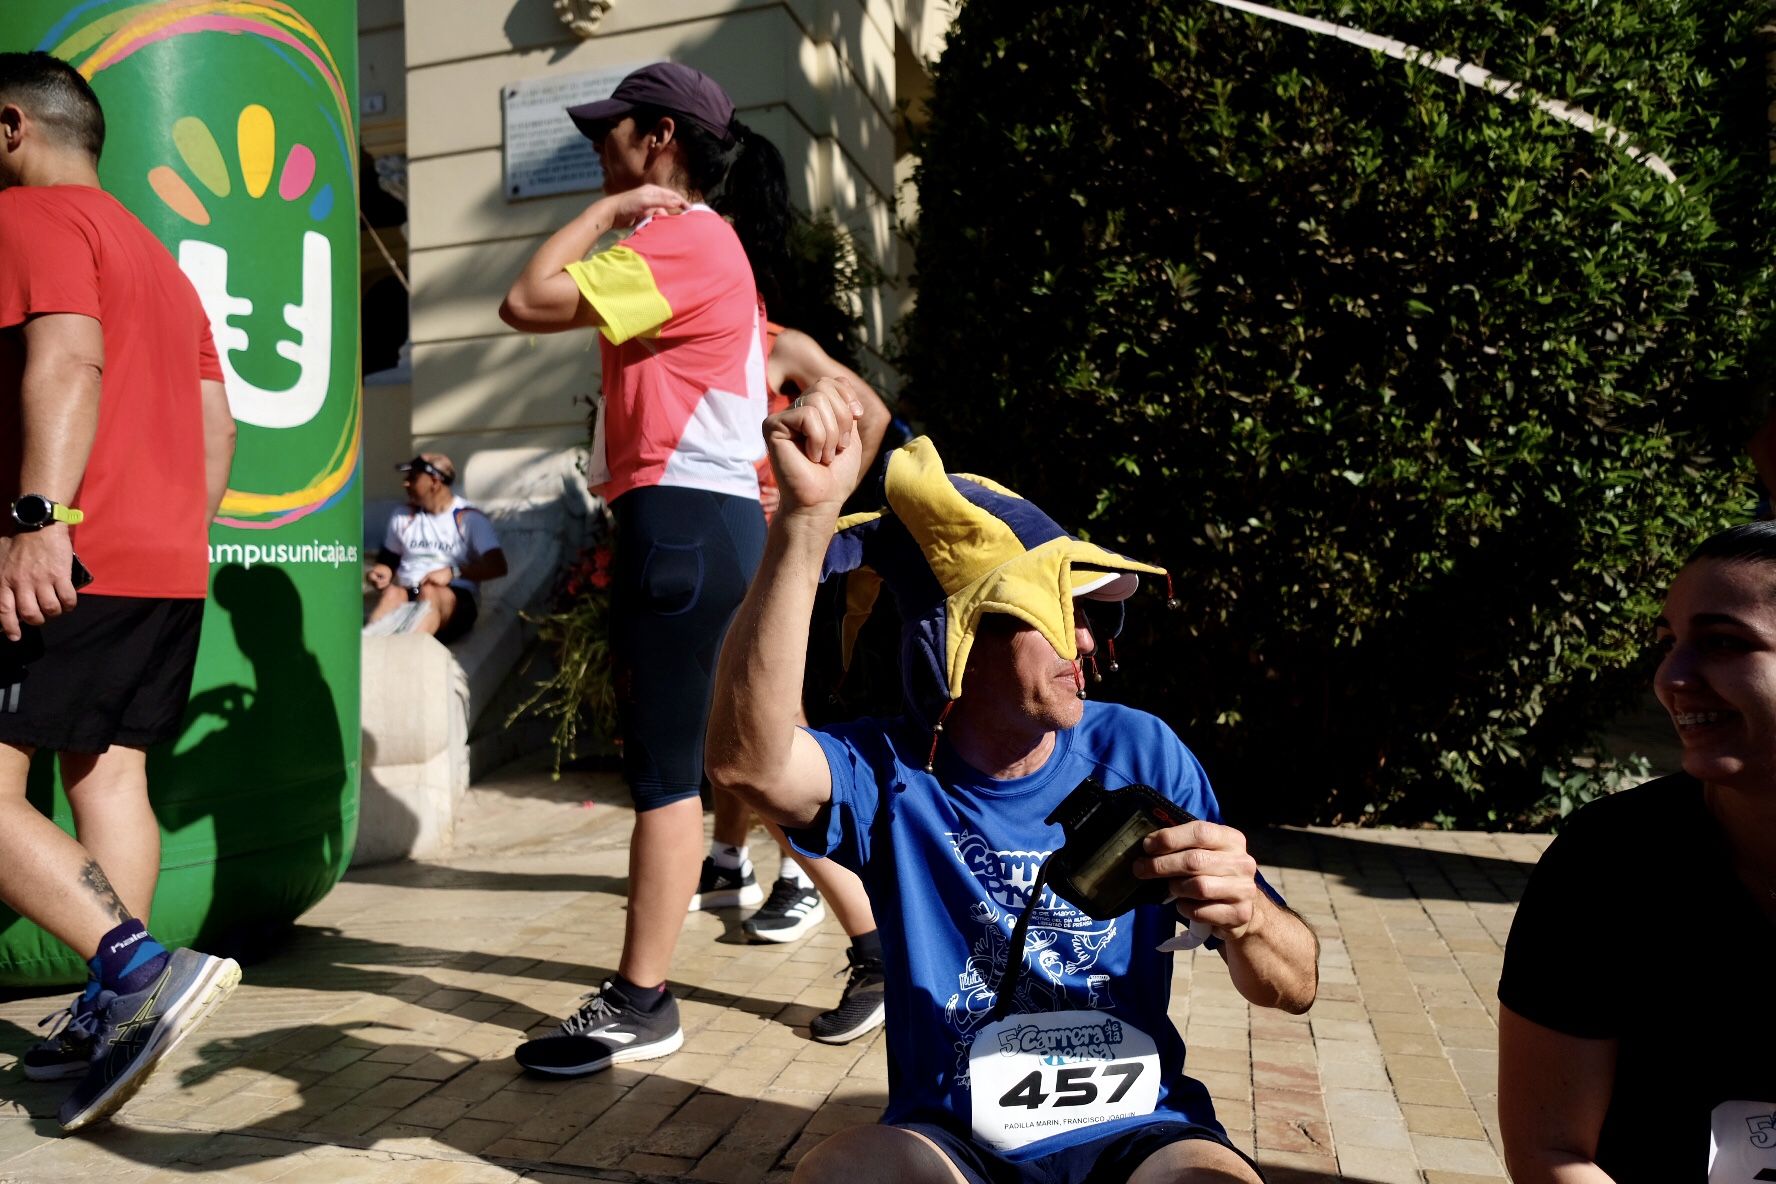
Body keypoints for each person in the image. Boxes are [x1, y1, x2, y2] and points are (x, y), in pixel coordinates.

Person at [703, 385, 1320, 1184]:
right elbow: (746, 761)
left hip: (1143, 1133)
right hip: (952, 1142)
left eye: (1095, 614)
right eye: (1060, 611)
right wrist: (803, 522)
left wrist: (1251, 920)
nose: (1089, 640)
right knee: (839, 1172)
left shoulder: (1141, 750)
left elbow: (1296, 986)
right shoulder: (890, 773)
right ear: (962, 636)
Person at [498, 61, 800, 1075]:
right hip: (707, 526)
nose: (599, 143)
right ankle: (883, 946)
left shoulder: (683, 240)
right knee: (754, 760)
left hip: (679, 527)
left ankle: (643, 997)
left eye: (612, 131)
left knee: (671, 779)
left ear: (659, 135)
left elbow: (525, 299)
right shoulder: (717, 252)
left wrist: (612, 210)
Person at [0, 51, 242, 1131]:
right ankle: (118, 1008)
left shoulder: (35, 217)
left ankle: (132, 964)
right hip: (160, 560)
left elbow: (66, 360)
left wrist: (39, 517)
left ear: (12, 128)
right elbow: (217, 417)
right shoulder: (159, 258)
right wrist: (180, 530)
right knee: (111, 780)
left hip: (68, 549)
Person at [1497, 521, 1776, 1183]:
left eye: (1723, 643)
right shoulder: (1607, 865)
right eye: (1669, 642)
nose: (1672, 677)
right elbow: (1553, 1149)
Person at [699, 321, 892, 1044]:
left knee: (769, 735)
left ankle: (873, 945)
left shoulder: (767, 337)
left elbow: (868, 410)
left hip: (759, 545)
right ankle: (733, 864)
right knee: (738, 726)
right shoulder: (672, 335)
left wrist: (815, 514)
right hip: (722, 537)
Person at [365, 453, 508, 642]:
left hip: (456, 599)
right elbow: (388, 559)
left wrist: (453, 572)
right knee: (393, 593)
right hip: (412, 591)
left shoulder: (469, 518)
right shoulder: (402, 515)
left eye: (412, 478)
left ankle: (405, 653)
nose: (405, 483)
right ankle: (366, 654)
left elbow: (498, 566)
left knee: (430, 592)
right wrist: (381, 572)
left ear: (434, 481)